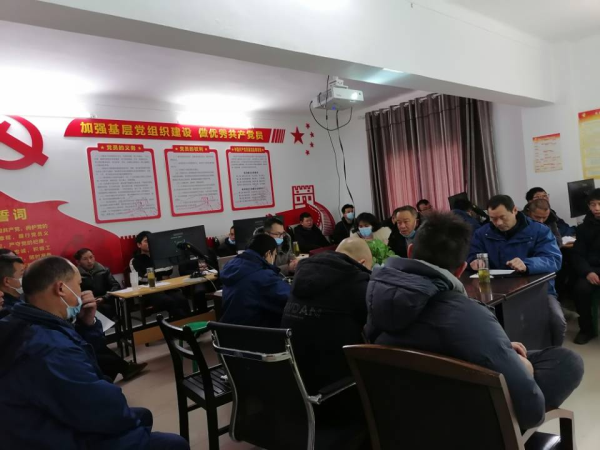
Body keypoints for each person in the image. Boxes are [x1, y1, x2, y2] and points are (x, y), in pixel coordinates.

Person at [365, 212, 583, 431]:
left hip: (403, 414)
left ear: (410, 251)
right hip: (466, 424)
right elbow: (532, 414)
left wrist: (500, 346)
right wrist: (523, 369)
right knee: (566, 362)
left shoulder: (376, 296)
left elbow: (430, 339)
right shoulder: (468, 314)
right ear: (461, 268)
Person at [0, 256, 189, 450]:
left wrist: (87, 325)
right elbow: (103, 408)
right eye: (79, 285)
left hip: (41, 423)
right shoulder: (49, 349)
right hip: (49, 437)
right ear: (61, 288)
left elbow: (85, 362)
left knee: (142, 416)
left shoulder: (21, 320)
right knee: (173, 444)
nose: (82, 292)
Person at [468, 195, 566, 346]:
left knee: (556, 321)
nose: (498, 223)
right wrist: (474, 261)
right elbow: (472, 254)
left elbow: (553, 259)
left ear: (514, 210)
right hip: (496, 292)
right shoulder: (482, 233)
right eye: (493, 218)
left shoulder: (539, 230)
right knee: (484, 325)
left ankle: (554, 354)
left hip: (536, 290)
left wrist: (527, 264)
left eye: (502, 217)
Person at [281, 237, 373, 393]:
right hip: (337, 387)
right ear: (362, 263)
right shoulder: (356, 282)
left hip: (295, 381)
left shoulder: (302, 276)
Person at [220, 234, 291, 328]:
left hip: (230, 330)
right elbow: (289, 297)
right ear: (268, 254)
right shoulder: (262, 275)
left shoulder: (232, 266)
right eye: (274, 255)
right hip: (255, 331)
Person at [130, 231, 191, 319]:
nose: (150, 243)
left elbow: (169, 270)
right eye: (146, 241)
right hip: (149, 291)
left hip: (166, 287)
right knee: (168, 301)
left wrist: (152, 274)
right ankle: (179, 323)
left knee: (182, 299)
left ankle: (187, 322)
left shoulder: (160, 256)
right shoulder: (135, 260)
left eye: (151, 241)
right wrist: (160, 276)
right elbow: (140, 278)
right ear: (139, 245)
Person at [571, 188, 600, 344]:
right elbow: (578, 254)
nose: (596, 208)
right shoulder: (583, 228)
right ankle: (586, 329)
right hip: (592, 270)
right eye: (593, 204)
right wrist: (588, 272)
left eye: (599, 204)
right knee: (580, 289)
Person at [75, 248, 121, 319]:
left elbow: (116, 286)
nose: (89, 261)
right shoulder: (75, 275)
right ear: (78, 262)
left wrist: (104, 298)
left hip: (105, 302)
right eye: (85, 259)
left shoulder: (104, 270)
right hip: (87, 305)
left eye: (91, 257)